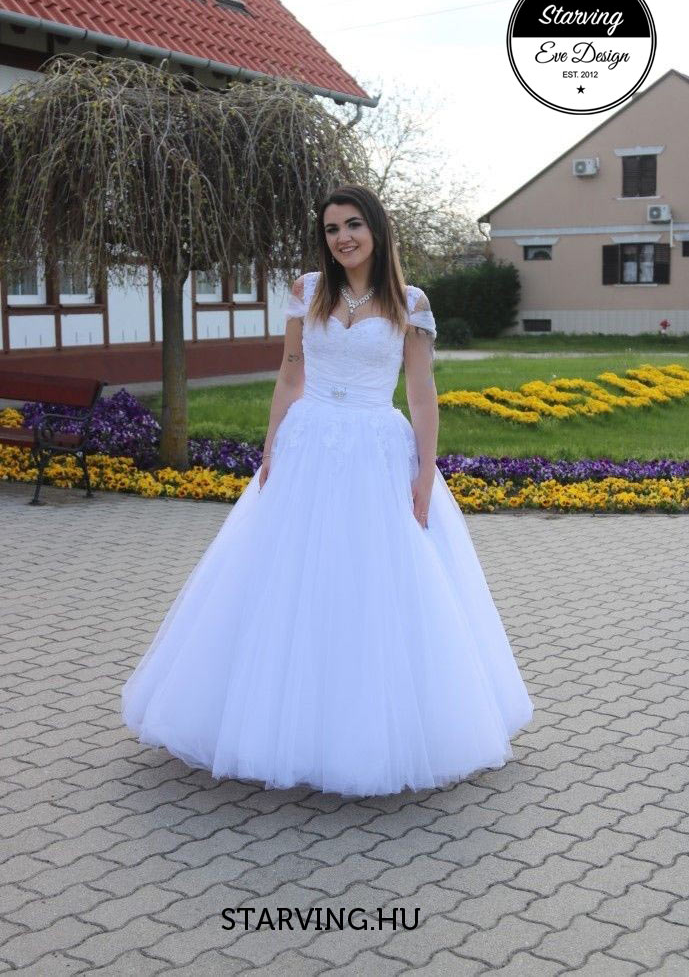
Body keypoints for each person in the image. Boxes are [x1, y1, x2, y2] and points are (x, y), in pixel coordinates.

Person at [121, 184, 534, 798]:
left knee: (372, 583)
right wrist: (271, 445)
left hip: (376, 451)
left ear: (376, 229)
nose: (342, 237)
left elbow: (422, 396)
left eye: (353, 225)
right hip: (308, 445)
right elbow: (291, 373)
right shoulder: (307, 290)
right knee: (285, 580)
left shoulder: (409, 302)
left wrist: (424, 472)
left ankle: (370, 735)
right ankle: (276, 726)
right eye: (332, 228)